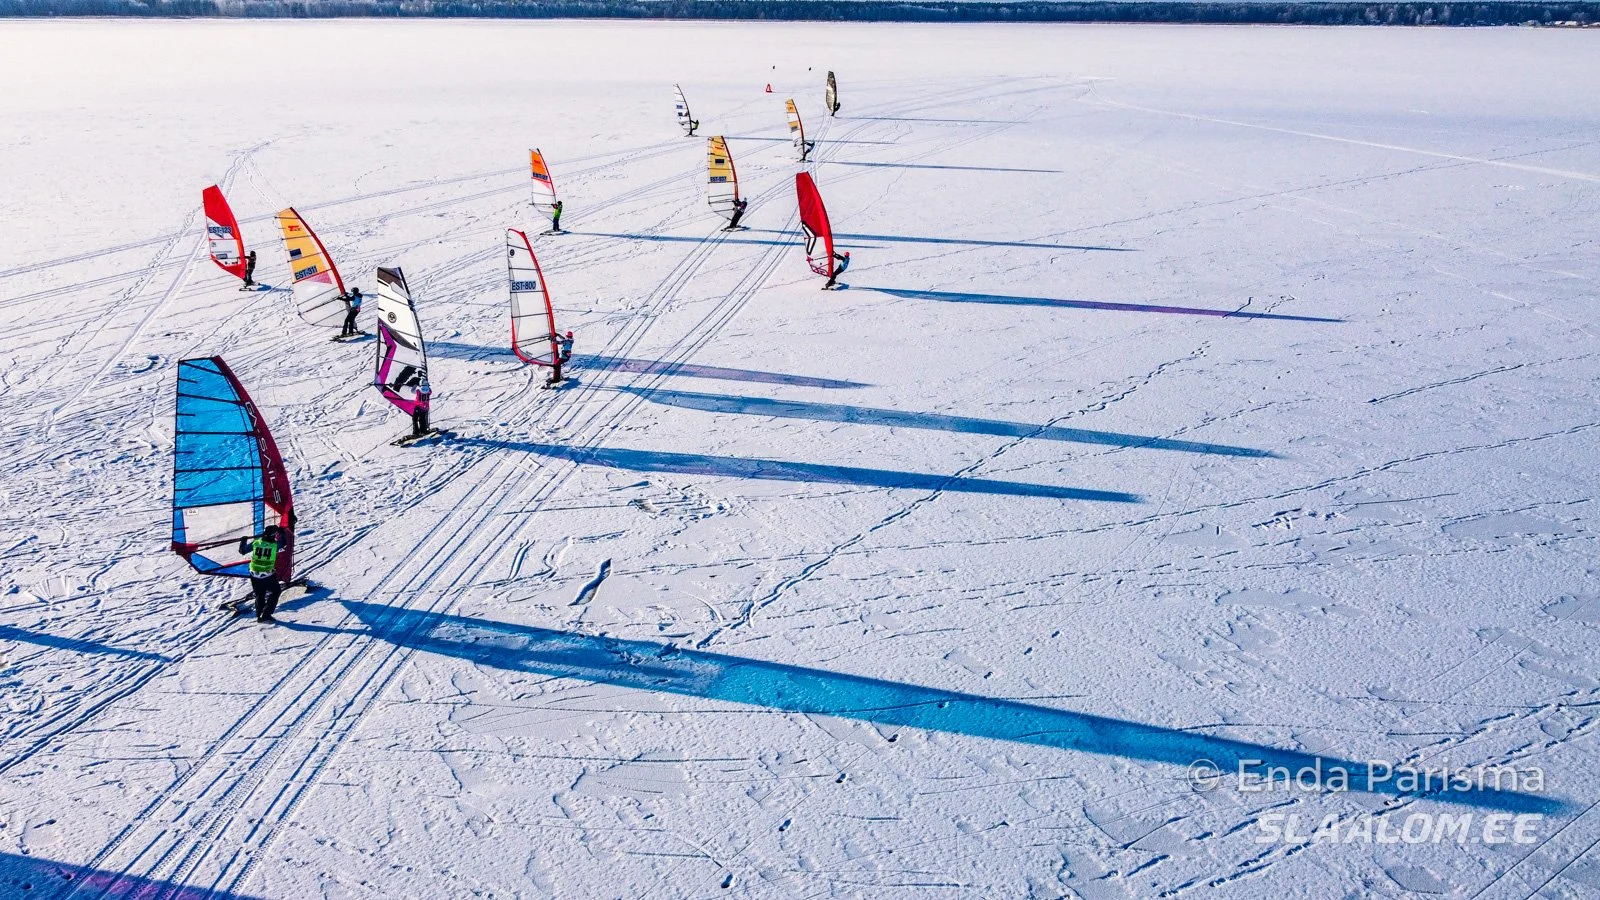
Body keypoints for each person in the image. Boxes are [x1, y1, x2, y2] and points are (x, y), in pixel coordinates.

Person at [237, 524, 287, 623]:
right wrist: (282, 533)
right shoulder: (274, 545)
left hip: (254, 573)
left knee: (260, 594)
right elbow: (283, 543)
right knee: (276, 591)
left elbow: (242, 551)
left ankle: (260, 615)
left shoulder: (256, 543)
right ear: (273, 536)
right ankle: (266, 614)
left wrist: (243, 541)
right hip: (267, 574)